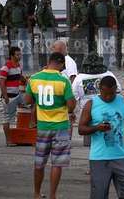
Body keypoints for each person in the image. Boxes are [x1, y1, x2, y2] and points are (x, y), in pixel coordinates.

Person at [78, 75, 124, 199]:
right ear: (100, 89)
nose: (108, 97)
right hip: (99, 158)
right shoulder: (91, 104)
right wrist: (97, 127)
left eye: (112, 93)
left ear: (116, 89)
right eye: (105, 94)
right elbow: (81, 129)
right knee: (99, 195)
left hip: (121, 156)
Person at [24, 52, 76, 199]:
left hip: (43, 127)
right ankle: (53, 195)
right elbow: (71, 106)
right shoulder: (63, 80)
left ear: (49, 61)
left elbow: (27, 100)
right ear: (60, 64)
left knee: (39, 162)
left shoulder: (34, 78)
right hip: (60, 126)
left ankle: (36, 193)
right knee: (57, 163)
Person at [71, 53, 122, 124]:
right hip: (106, 110)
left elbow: (73, 96)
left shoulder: (79, 78)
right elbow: (118, 89)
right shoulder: (108, 74)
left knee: (87, 132)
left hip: (86, 112)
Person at [0, 46, 25, 146]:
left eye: (20, 54)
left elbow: (20, 76)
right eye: (17, 54)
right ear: (12, 55)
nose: (20, 56)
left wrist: (26, 80)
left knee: (29, 103)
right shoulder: (6, 67)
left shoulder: (18, 66)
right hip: (9, 97)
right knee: (7, 118)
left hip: (17, 95)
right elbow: (2, 83)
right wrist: (5, 96)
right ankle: (8, 140)